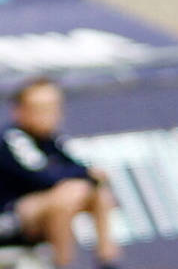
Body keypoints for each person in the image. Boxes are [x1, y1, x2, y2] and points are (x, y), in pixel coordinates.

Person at [0, 78, 120, 269]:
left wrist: (90, 177)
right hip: (9, 218)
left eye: (53, 108)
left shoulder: (52, 140)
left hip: (40, 209)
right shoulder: (12, 138)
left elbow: (77, 168)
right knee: (69, 194)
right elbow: (44, 177)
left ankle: (108, 260)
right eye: (40, 108)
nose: (49, 115)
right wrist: (87, 175)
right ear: (20, 111)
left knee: (96, 191)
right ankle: (62, 263)